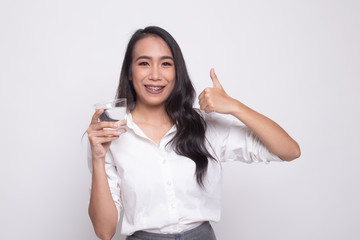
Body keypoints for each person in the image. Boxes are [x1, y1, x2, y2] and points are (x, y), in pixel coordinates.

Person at [86, 26, 300, 240]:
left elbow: (289, 151)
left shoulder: (203, 126)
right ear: (130, 73)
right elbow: (104, 232)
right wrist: (98, 157)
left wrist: (235, 106)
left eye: (166, 64)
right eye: (144, 63)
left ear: (177, 73)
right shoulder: (109, 134)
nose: (155, 75)